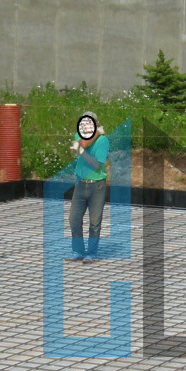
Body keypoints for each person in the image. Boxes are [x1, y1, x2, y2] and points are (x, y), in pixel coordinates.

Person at [68, 111, 109, 262]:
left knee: (95, 222)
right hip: (80, 184)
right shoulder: (79, 135)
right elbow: (84, 143)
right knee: (74, 219)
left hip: (97, 185)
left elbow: (95, 164)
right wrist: (96, 133)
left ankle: (91, 253)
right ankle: (78, 251)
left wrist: (80, 151)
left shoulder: (103, 141)